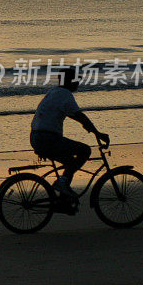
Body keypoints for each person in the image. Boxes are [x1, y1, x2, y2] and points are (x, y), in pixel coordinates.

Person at [30, 67, 109, 200]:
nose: (78, 83)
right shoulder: (65, 94)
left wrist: (91, 129)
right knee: (84, 151)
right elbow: (80, 116)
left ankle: (63, 199)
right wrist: (98, 133)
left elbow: (76, 117)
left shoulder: (53, 92)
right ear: (70, 81)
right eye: (77, 80)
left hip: (36, 137)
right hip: (48, 139)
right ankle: (62, 184)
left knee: (70, 162)